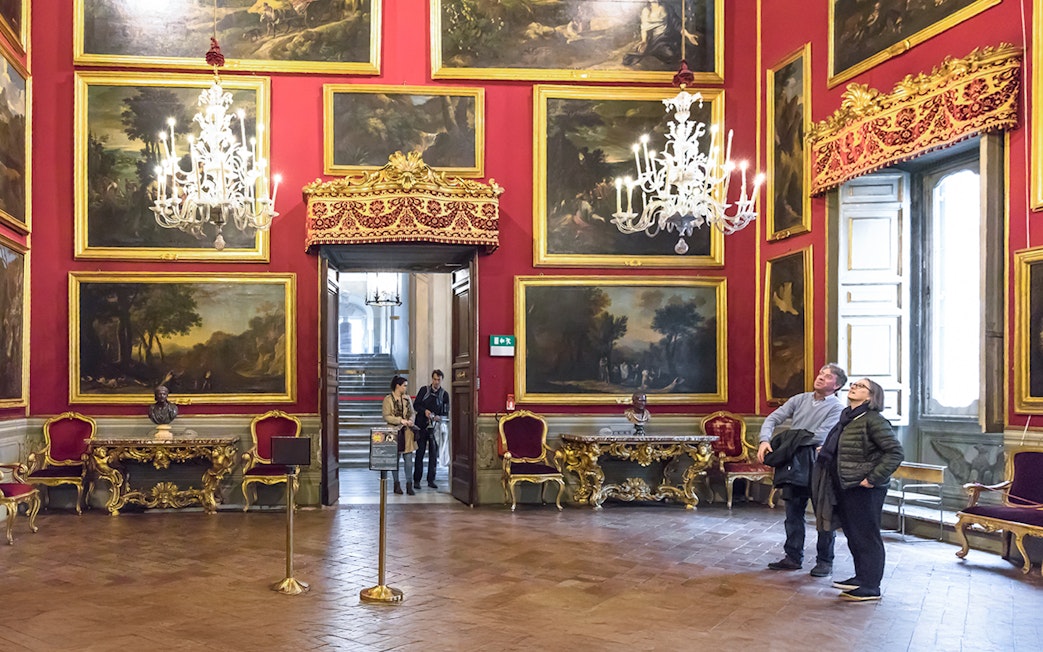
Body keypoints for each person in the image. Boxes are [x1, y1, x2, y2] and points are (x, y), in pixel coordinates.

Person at [818, 378, 904, 602]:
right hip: (846, 483)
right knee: (853, 534)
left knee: (867, 535)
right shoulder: (848, 418)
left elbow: (895, 452)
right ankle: (861, 577)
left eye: (861, 386)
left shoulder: (873, 420)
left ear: (871, 396)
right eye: (854, 384)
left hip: (864, 487)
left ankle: (870, 586)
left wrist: (873, 478)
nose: (854, 387)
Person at [757, 364, 847, 576]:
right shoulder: (799, 399)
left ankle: (824, 561)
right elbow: (773, 418)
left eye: (828, 377)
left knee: (823, 515)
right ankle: (792, 557)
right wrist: (764, 440)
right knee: (793, 513)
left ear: (837, 385)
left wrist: (789, 438)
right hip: (795, 463)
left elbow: (820, 435)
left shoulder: (837, 408)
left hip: (819, 464)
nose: (821, 378)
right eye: (820, 374)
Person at [413, 370, 449, 490]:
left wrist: (439, 417)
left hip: (435, 427)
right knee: (420, 453)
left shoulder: (444, 394)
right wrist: (425, 411)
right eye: (434, 379)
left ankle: (431, 479)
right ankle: (417, 480)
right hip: (422, 425)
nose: (436, 382)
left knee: (434, 454)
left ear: (441, 380)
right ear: (431, 379)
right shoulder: (424, 390)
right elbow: (416, 405)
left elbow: (445, 411)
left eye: (438, 380)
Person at [382, 376, 418, 496]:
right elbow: (386, 416)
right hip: (394, 431)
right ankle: (396, 484)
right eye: (404, 385)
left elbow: (412, 412)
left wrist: (411, 420)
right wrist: (400, 420)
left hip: (407, 431)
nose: (406, 388)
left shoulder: (407, 398)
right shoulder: (388, 399)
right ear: (398, 386)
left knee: (408, 460)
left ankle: (409, 484)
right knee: (395, 460)